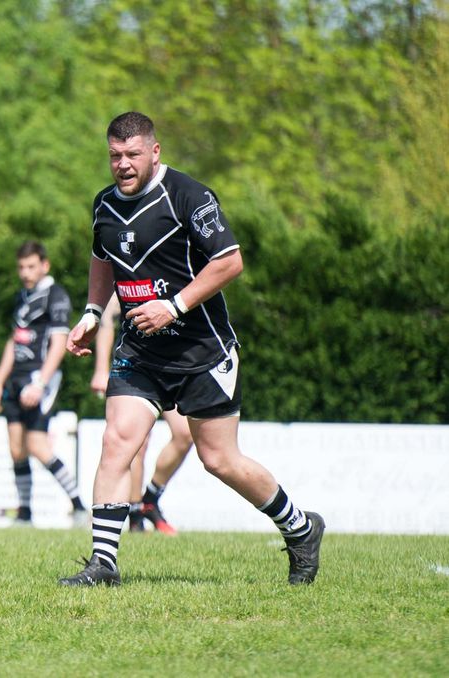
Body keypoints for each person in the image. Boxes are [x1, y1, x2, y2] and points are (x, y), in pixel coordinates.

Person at [60, 112, 324, 587]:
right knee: (118, 439)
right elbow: (101, 260)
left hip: (203, 351)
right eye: (115, 156)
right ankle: (104, 563)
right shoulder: (103, 205)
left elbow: (230, 261)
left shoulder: (188, 195)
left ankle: (301, 529)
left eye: (133, 154)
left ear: (154, 152)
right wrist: (92, 314)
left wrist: (174, 306)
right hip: (140, 352)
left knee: (220, 460)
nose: (123, 164)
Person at [0, 241, 86, 527]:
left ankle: (79, 506)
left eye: (31, 266)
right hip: (16, 379)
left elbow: (58, 343)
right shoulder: (22, 296)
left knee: (38, 446)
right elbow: (13, 340)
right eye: (21, 267)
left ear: (45, 265)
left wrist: (40, 383)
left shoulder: (56, 295)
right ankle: (25, 514)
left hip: (39, 379)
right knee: (16, 449)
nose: (26, 272)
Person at [89, 295, 193, 535]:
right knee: (137, 443)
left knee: (185, 434)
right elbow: (107, 317)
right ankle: (135, 513)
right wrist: (101, 369)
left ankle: (150, 499)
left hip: (174, 365)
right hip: (134, 364)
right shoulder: (130, 269)